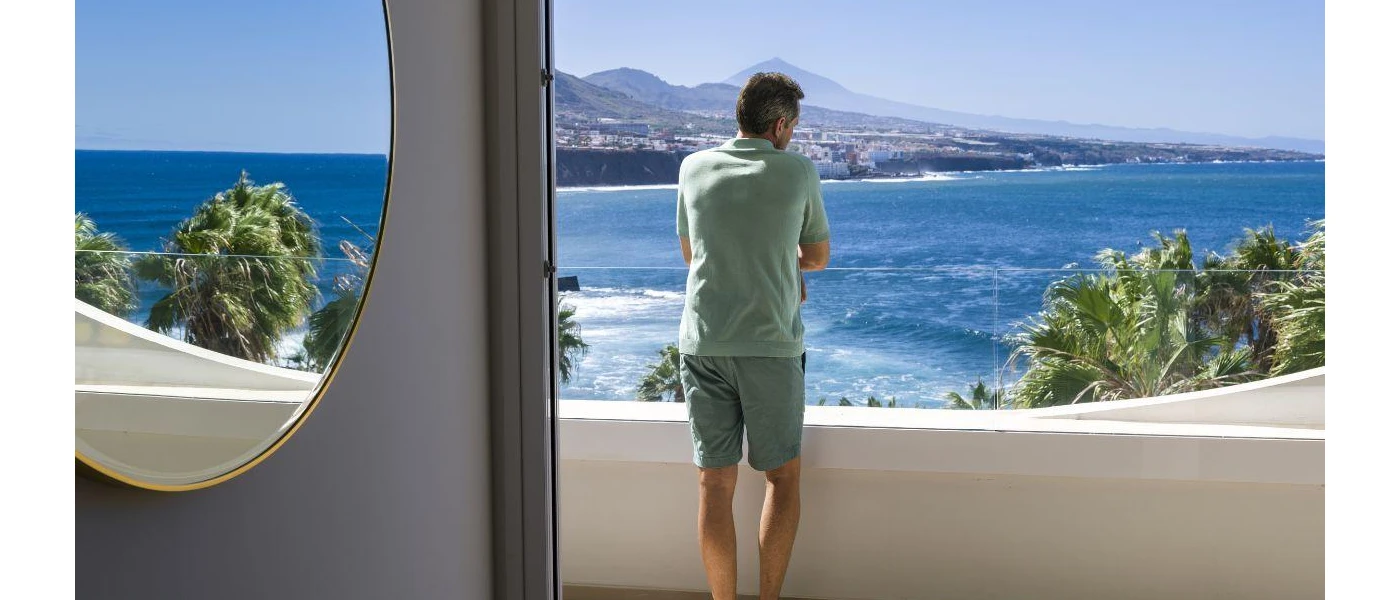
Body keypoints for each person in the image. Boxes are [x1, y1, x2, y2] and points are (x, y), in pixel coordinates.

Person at [675, 71, 830, 600]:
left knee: (714, 484)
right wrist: (783, 265)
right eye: (793, 128)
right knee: (782, 478)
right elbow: (817, 256)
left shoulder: (692, 167)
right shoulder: (797, 171)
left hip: (703, 342)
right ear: (781, 124)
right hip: (769, 344)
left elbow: (692, 254)